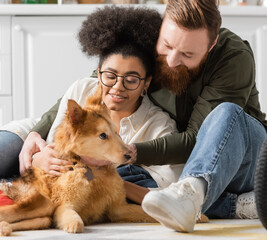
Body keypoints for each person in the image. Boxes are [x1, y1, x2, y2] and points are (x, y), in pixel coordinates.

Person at [1, 0, 267, 233]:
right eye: (167, 46)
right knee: (14, 147)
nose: (170, 60)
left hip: (240, 153)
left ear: (211, 44)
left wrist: (121, 152)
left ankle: (206, 201)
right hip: (171, 158)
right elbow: (98, 82)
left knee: (222, 114)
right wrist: (35, 137)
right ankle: (200, 202)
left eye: (188, 54)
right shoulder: (152, 41)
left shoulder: (232, 56)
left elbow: (197, 139)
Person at [0, 6, 181, 194]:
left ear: (146, 83)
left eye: (131, 80)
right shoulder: (82, 88)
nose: (118, 87)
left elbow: (169, 191)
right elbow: (55, 145)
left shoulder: (158, 125)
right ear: (99, 71)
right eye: (110, 75)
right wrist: (38, 157)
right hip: (26, 133)